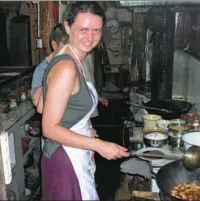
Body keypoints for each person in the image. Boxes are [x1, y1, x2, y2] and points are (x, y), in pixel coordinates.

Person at [41, 2, 129, 200]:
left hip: (73, 152)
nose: (90, 38)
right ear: (67, 27)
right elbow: (49, 128)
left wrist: (83, 126)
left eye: (96, 31)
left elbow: (53, 106)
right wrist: (98, 145)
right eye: (83, 30)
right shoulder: (66, 67)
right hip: (65, 160)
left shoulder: (74, 58)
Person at [31, 23, 68, 113]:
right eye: (67, 47)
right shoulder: (42, 69)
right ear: (54, 45)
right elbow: (37, 102)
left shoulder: (71, 63)